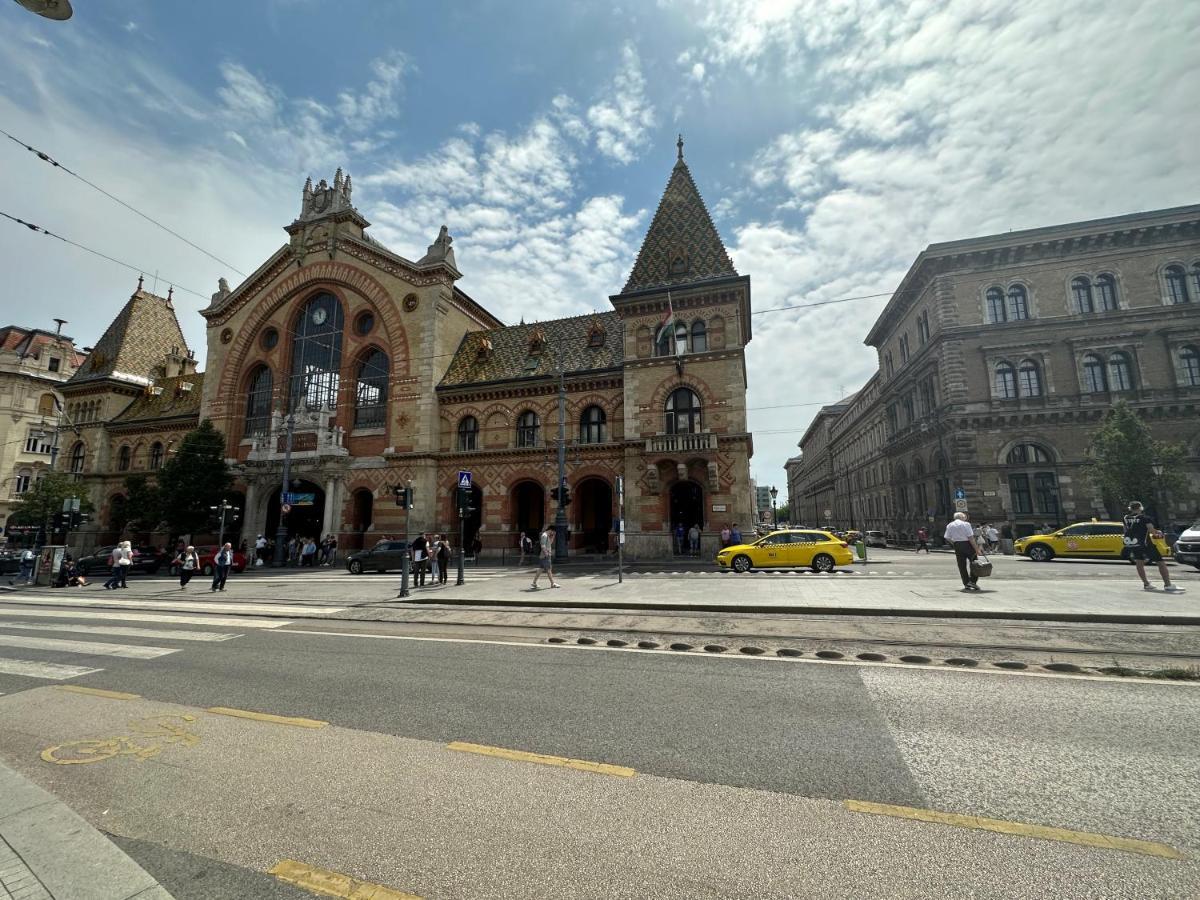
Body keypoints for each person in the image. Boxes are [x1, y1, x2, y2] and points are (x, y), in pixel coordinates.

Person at [1123, 501, 1183, 593]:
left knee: (1139, 562)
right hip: (1146, 543)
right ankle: (1168, 585)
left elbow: (1125, 529)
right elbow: (1151, 531)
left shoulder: (1126, 518)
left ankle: (1146, 584)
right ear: (1140, 508)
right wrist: (1158, 532)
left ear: (1130, 509)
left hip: (1133, 544)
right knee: (1160, 562)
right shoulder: (1145, 518)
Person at [945, 512, 981, 591]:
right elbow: (971, 538)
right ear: (961, 517)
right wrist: (977, 549)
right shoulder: (966, 524)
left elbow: (947, 537)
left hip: (957, 545)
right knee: (974, 563)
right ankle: (973, 581)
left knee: (961, 565)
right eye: (965, 516)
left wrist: (954, 543)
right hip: (967, 544)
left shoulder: (949, 525)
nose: (965, 517)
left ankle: (966, 583)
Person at [531, 524, 560, 590]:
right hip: (545, 555)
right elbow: (543, 546)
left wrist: (552, 537)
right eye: (553, 532)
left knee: (540, 569)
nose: (553, 533)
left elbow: (549, 544)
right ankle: (552, 583)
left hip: (543, 555)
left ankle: (534, 583)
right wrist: (547, 554)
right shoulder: (544, 535)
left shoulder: (547, 536)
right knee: (549, 570)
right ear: (551, 530)